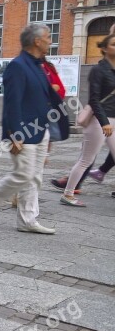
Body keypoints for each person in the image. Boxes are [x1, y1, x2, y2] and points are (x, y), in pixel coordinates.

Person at [0, 24, 69, 234]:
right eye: (47, 37)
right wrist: (13, 134)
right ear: (36, 41)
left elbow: (46, 96)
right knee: (23, 175)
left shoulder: (38, 65)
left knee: (35, 176)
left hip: (40, 129)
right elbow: (12, 102)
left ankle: (27, 220)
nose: (50, 41)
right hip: (23, 132)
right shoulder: (18, 66)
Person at [60, 32, 115, 207]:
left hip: (114, 119)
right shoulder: (98, 70)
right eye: (113, 44)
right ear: (105, 49)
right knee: (86, 159)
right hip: (99, 120)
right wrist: (104, 121)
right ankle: (68, 194)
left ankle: (96, 174)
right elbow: (94, 99)